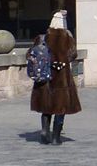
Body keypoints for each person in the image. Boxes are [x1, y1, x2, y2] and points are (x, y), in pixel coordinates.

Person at [30, 10, 81, 144]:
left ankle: (45, 130)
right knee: (61, 107)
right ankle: (56, 137)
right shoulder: (67, 37)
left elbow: (31, 54)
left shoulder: (42, 38)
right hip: (62, 77)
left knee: (46, 105)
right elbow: (73, 55)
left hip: (45, 76)